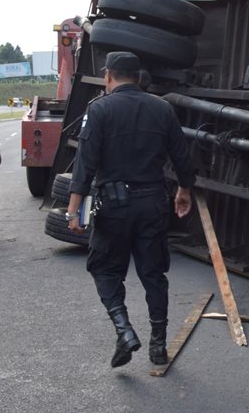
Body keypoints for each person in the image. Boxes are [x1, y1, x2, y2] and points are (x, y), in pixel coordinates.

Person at [66, 51, 195, 368]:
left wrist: (73, 211)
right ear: (138, 77)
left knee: (105, 270)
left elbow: (85, 164)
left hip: (113, 207)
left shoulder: (99, 110)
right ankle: (158, 346)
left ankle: (124, 330)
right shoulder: (162, 109)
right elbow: (182, 156)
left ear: (108, 75)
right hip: (153, 203)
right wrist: (184, 190)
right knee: (154, 275)